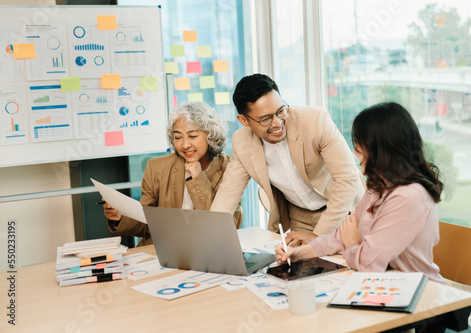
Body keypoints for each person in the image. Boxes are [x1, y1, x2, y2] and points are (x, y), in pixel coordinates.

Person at [275, 102, 444, 283]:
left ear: (380, 149)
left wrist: (352, 243)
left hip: (419, 296)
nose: (354, 151)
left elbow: (367, 264)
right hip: (385, 285)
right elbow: (340, 236)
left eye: (359, 144)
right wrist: (299, 254)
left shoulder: (409, 197)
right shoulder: (378, 185)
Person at [211, 74, 365, 245]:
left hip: (346, 211)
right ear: (244, 120)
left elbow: (347, 179)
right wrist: (209, 238)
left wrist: (317, 237)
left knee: (350, 266)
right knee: (304, 270)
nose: (277, 123)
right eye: (265, 119)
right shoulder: (242, 141)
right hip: (301, 220)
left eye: (280, 111)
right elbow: (228, 193)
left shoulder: (316, 120)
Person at [104, 101, 242, 246]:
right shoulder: (156, 167)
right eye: (178, 137)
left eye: (193, 136)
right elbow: (146, 221)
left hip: (208, 248)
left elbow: (224, 227)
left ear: (211, 136)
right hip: (163, 248)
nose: (185, 145)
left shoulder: (229, 168)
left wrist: (198, 178)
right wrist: (120, 217)